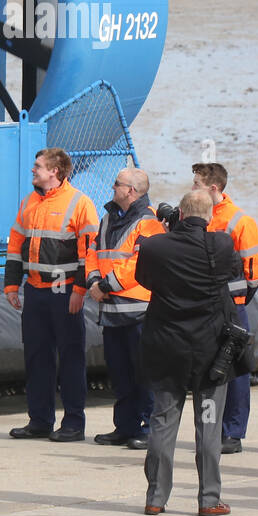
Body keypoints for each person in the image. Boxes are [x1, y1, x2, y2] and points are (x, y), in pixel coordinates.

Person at [134, 188, 244, 516]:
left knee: (163, 423)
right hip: (211, 355)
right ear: (209, 216)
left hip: (168, 349)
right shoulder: (221, 244)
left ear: (179, 214)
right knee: (208, 425)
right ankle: (209, 499)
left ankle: (156, 497)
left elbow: (144, 279)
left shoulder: (154, 246)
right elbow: (233, 273)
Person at [4, 147, 99, 442]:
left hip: (64, 290)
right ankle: (40, 420)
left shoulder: (80, 204)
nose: (33, 170)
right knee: (36, 357)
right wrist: (11, 285)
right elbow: (15, 245)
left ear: (54, 171)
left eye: (38, 166)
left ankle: (73, 424)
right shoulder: (29, 202)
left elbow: (89, 254)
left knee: (71, 358)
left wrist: (80, 290)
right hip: (35, 291)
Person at [85, 168, 163, 449]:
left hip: (139, 311)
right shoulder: (108, 218)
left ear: (131, 191)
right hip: (112, 311)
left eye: (117, 183)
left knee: (143, 374)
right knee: (120, 373)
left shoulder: (149, 222)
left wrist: (104, 286)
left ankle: (147, 428)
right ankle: (125, 426)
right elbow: (93, 253)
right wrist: (93, 281)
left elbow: (140, 263)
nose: (112, 186)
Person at [191, 162, 258, 454]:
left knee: (237, 370)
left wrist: (235, 300)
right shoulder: (196, 217)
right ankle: (214, 429)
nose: (192, 188)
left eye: (196, 184)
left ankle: (233, 432)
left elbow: (253, 274)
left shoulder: (240, 222)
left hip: (233, 309)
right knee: (209, 369)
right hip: (203, 308)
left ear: (213, 187)